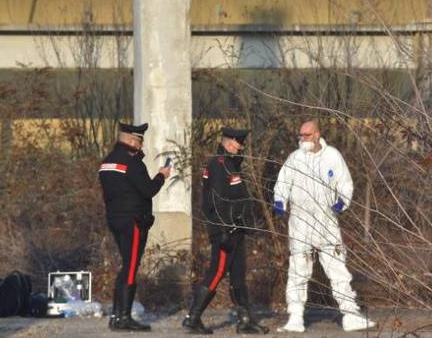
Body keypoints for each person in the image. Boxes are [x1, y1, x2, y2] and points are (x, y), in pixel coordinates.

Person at [273, 120, 376, 333]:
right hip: (300, 223)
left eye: (307, 135)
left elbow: (345, 183)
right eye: (300, 135)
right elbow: (282, 182)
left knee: (337, 267)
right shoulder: (295, 158)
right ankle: (295, 316)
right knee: (299, 268)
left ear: (317, 134)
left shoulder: (332, 157)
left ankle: (350, 314)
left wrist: (342, 201)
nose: (302, 139)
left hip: (326, 221)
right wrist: (280, 201)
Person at [183, 127, 269, 335]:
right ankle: (193, 318)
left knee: (238, 274)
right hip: (225, 230)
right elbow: (215, 200)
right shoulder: (219, 165)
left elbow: (237, 198)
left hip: (236, 228)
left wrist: (247, 224)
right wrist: (222, 230)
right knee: (218, 271)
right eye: (239, 143)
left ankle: (245, 320)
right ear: (229, 142)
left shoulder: (231, 164)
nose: (241, 147)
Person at [98, 122, 171, 331]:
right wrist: (161, 176)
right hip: (133, 222)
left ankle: (116, 316)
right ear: (130, 140)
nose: (141, 146)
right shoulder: (132, 163)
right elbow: (148, 190)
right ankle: (124, 318)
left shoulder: (107, 162)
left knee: (125, 266)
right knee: (130, 268)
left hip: (115, 220)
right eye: (139, 141)